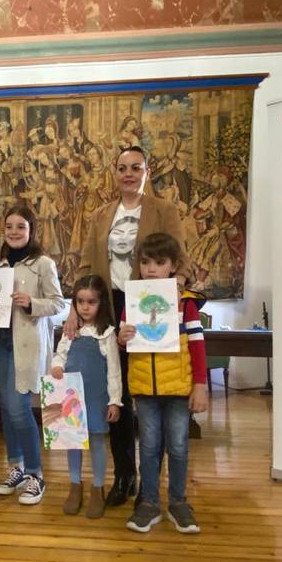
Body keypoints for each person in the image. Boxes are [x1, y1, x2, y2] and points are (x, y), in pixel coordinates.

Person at [69, 145, 192, 507]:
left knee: (154, 393)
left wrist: (175, 288)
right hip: (111, 308)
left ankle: (156, 480)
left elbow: (182, 258)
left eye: (135, 167)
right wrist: (77, 306)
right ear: (114, 172)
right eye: (122, 167)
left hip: (151, 306)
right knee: (116, 394)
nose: (128, 173)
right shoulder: (100, 214)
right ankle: (125, 475)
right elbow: (87, 264)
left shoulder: (164, 210)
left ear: (146, 171)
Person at [118, 233, 208, 534]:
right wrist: (123, 337)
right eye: (145, 262)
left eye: (160, 262)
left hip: (178, 390)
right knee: (150, 448)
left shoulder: (186, 303)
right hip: (144, 390)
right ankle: (149, 504)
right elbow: (122, 341)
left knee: (179, 447)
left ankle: (179, 503)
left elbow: (197, 344)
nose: (152, 269)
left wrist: (200, 384)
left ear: (173, 266)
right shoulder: (132, 303)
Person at [0, 204, 68, 505]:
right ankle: (15, 467)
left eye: (21, 226)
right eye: (10, 227)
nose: (14, 232)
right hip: (1, 344)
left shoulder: (43, 263)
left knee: (19, 408)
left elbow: (58, 304)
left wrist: (31, 302)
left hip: (27, 344)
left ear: (31, 230)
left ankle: (35, 474)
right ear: (3, 230)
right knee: (5, 408)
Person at [50, 274, 121, 518]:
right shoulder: (70, 330)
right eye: (80, 301)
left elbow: (114, 371)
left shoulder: (107, 334)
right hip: (71, 395)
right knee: (73, 441)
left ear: (101, 304)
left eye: (91, 302)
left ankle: (98, 487)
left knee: (98, 441)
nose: (85, 307)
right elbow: (59, 355)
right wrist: (56, 366)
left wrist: (115, 401)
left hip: (96, 396)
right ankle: (74, 485)